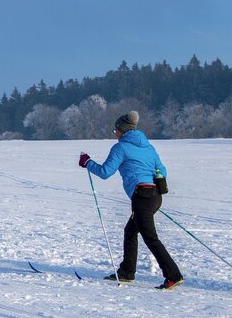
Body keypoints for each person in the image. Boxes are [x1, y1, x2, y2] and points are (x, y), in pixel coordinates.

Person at [78, 111, 184, 290]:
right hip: (155, 196)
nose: (114, 133)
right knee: (130, 231)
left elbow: (105, 172)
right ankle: (127, 271)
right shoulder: (149, 147)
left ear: (122, 130)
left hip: (141, 197)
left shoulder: (121, 148)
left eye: (115, 130)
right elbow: (162, 172)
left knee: (150, 238)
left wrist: (87, 162)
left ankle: (173, 276)